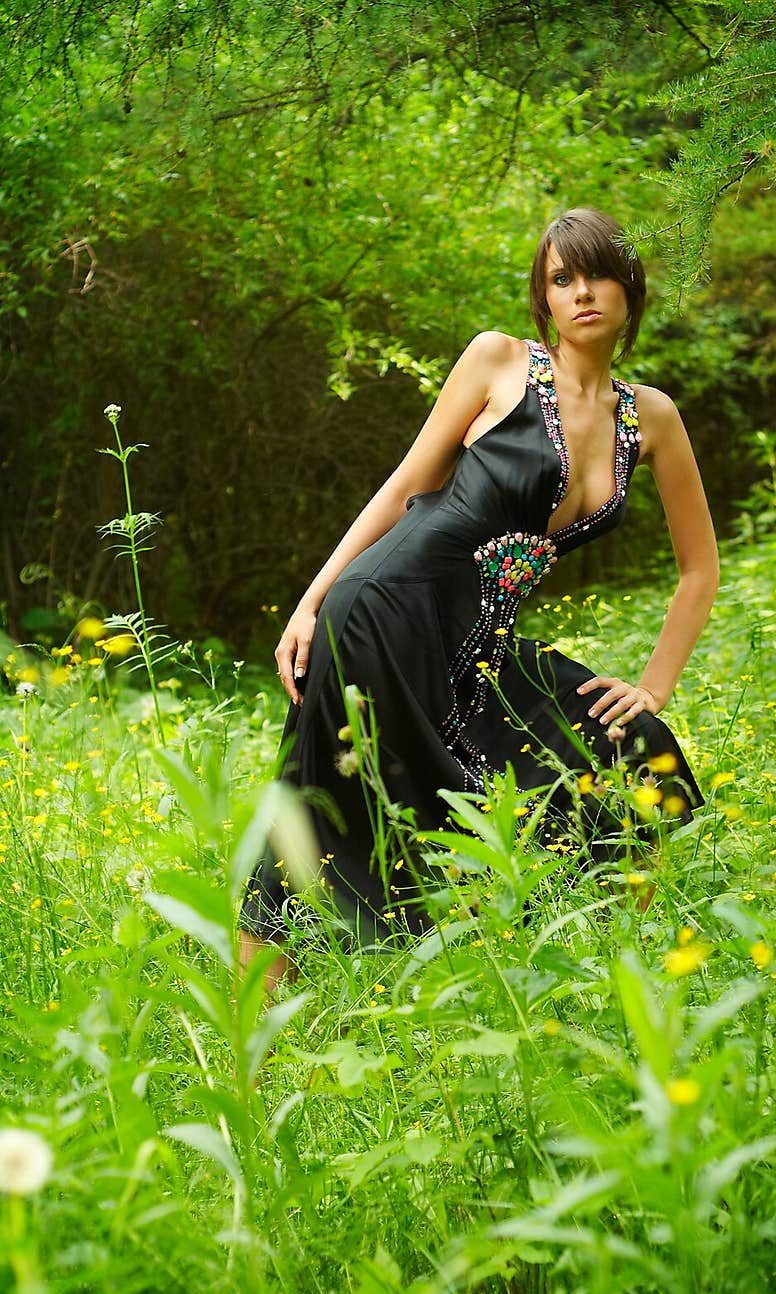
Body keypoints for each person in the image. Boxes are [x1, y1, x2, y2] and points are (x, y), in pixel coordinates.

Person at [238, 206, 720, 987]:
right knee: (321, 807)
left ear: (630, 286)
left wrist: (652, 684)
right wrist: (311, 600)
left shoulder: (650, 417)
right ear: (544, 299)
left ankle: (630, 982)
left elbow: (700, 569)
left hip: (478, 647)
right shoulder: (499, 362)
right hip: (382, 611)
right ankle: (248, 1042)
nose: (581, 292)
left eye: (596, 272)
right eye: (561, 279)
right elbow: (404, 486)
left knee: (630, 745)